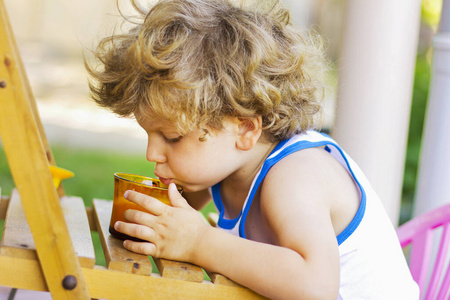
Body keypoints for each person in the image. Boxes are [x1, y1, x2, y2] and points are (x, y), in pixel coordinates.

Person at [86, 0, 419, 298]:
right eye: (150, 135)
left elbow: (315, 286)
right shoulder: (223, 166)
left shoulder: (296, 175)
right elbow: (180, 210)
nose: (152, 154)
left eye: (172, 138)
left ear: (244, 129)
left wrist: (199, 242)